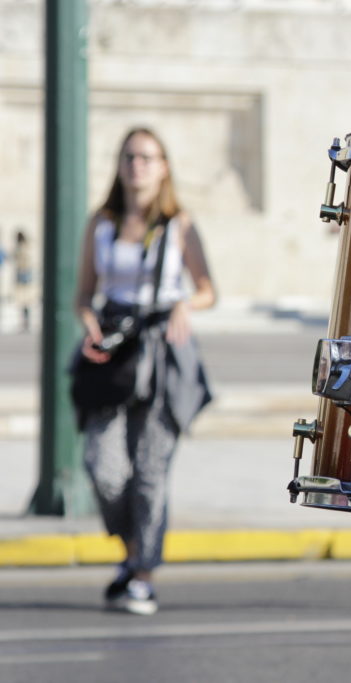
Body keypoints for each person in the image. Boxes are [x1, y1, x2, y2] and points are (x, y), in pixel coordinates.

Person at [73, 127, 216, 616]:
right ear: (119, 164)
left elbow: (207, 289)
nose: (138, 166)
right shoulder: (102, 222)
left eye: (148, 157)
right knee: (103, 467)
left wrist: (183, 305)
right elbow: (83, 296)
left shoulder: (179, 224)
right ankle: (132, 551)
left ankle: (142, 574)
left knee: (151, 473)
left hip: (162, 352)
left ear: (164, 167)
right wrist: (90, 326)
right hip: (113, 352)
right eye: (130, 156)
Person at [12, 229, 33, 333]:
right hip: (24, 274)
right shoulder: (25, 247)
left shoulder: (21, 248)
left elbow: (22, 262)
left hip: (23, 274)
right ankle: (25, 321)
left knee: (23, 300)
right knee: (24, 300)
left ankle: (25, 322)